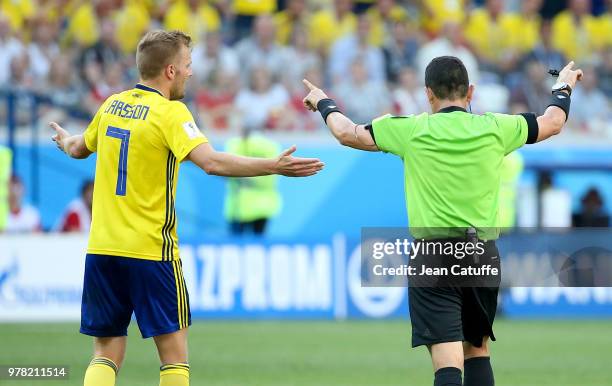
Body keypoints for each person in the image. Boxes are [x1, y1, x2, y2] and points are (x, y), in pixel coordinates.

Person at [50, 30, 323, 386]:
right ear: (169, 71)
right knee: (174, 358)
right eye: (187, 65)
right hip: (151, 251)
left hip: (102, 250)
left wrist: (64, 138)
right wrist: (272, 165)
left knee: (105, 351)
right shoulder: (170, 113)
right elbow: (212, 163)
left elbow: (77, 147)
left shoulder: (111, 105)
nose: (191, 73)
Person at [302, 56, 583, 386]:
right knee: (477, 350)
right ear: (471, 93)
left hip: (432, 255)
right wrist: (563, 84)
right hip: (481, 254)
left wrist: (323, 101)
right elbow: (552, 122)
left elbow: (347, 133)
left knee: (447, 361)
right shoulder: (496, 127)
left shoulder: (409, 129)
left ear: (428, 94)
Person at [224, 129, 282, 235]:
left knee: (236, 245)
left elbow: (226, 169)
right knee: (258, 244)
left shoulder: (236, 144)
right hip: (264, 205)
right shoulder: (271, 146)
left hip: (239, 206)